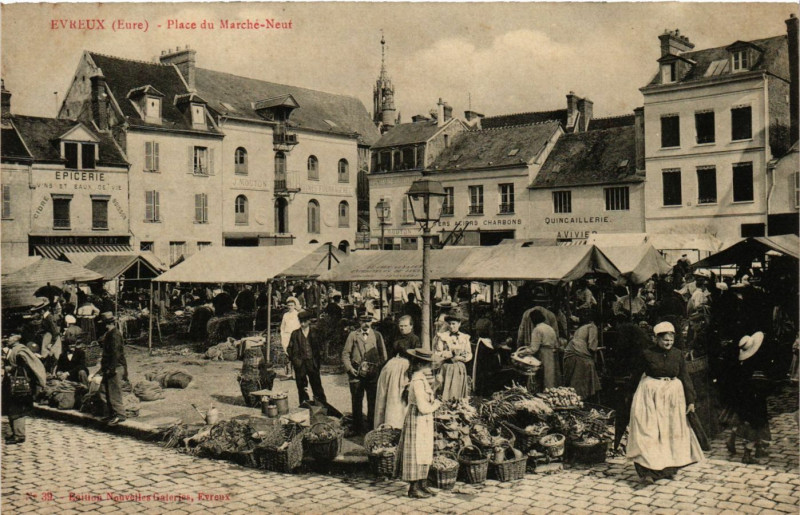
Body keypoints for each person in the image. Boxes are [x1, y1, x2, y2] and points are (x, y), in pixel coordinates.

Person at [627, 322, 704, 484]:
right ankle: (647, 471)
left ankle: (668, 469)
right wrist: (629, 393)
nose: (668, 343)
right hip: (649, 395)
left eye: (671, 340)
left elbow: (685, 377)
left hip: (673, 397)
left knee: (670, 432)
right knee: (648, 431)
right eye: (665, 340)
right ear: (657, 339)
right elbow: (636, 375)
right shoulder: (647, 354)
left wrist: (690, 400)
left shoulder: (678, 354)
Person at [394, 348, 442, 498]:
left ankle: (423, 484)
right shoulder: (417, 382)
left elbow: (427, 397)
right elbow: (423, 407)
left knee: (425, 450)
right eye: (429, 364)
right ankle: (413, 488)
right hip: (417, 418)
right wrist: (436, 405)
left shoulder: (421, 379)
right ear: (421, 365)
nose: (431, 367)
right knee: (416, 452)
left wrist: (436, 385)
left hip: (423, 419)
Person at [728, 332, 772, 463]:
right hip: (755, 398)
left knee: (749, 422)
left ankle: (757, 448)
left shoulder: (742, 363)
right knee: (756, 425)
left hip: (745, 398)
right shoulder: (754, 363)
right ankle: (747, 454)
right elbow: (759, 383)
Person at [342, 314, 388, 433]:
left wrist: (377, 369)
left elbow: (383, 355)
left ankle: (371, 427)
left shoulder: (377, 335)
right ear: (359, 321)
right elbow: (345, 354)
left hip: (372, 375)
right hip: (356, 373)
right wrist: (350, 368)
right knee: (356, 400)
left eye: (368, 321)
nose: (366, 324)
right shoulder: (353, 335)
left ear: (371, 322)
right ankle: (357, 427)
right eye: (363, 321)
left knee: (372, 401)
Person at [374, 315, 419, 428]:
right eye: (401, 326)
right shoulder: (396, 337)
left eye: (405, 326)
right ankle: (384, 423)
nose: (402, 328)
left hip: (404, 371)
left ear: (411, 326)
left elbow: (415, 359)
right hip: (391, 369)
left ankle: (396, 425)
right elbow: (391, 353)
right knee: (386, 396)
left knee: (397, 398)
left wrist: (410, 375)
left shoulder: (414, 339)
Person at [2, 334, 47, 444]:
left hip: (19, 384)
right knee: (11, 407)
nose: (8, 339)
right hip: (11, 383)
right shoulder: (13, 349)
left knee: (17, 409)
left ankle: (19, 435)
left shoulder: (21, 351)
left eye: (11, 337)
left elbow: (27, 367)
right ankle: (15, 432)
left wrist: (11, 368)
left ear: (17, 339)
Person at [286, 310, 327, 406]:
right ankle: (305, 405)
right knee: (301, 386)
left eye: (304, 321)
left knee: (316, 385)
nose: (302, 324)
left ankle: (321, 405)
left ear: (309, 321)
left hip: (313, 363)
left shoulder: (315, 332)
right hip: (300, 364)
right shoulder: (295, 334)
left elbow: (322, 346)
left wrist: (319, 357)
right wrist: (295, 360)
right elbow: (289, 348)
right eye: (301, 322)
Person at [563, 310, 601, 401]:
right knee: (587, 369)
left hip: (570, 352)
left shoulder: (582, 328)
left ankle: (574, 398)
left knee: (572, 379)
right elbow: (592, 346)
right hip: (579, 354)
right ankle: (582, 398)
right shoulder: (592, 327)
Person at [433, 314, 472, 400]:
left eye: (453, 323)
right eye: (449, 324)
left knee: (457, 391)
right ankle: (445, 403)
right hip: (447, 366)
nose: (451, 326)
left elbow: (469, 354)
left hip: (459, 366)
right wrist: (448, 354)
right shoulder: (443, 336)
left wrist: (461, 358)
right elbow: (437, 352)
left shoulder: (464, 337)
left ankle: (457, 404)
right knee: (446, 390)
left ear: (459, 324)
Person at [99, 312, 127, 426]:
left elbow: (116, 353)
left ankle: (120, 415)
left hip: (115, 367)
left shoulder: (114, 334)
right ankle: (110, 413)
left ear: (106, 324)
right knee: (103, 390)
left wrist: (112, 368)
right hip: (108, 367)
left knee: (114, 392)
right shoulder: (109, 333)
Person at [529, 309, 562, 389]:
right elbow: (556, 344)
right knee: (550, 376)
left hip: (542, 354)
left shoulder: (537, 330)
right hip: (551, 354)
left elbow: (534, 348)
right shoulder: (550, 328)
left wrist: (523, 352)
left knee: (540, 377)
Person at [280, 296, 302, 377]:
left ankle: (295, 373)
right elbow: (282, 327)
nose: (290, 307)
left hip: (295, 336)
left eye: (292, 305)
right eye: (288, 305)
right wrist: (282, 335)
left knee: (295, 354)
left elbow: (300, 326)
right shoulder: (285, 315)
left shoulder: (297, 314)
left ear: (295, 306)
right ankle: (289, 373)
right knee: (287, 354)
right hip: (286, 336)